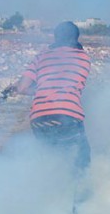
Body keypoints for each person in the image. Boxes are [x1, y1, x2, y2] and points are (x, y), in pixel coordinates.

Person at [9, 21, 92, 172]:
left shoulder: (41, 57)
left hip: (39, 119)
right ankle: (79, 193)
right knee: (82, 162)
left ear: (55, 37)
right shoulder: (84, 58)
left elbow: (21, 88)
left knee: (51, 161)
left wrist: (40, 89)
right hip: (67, 115)